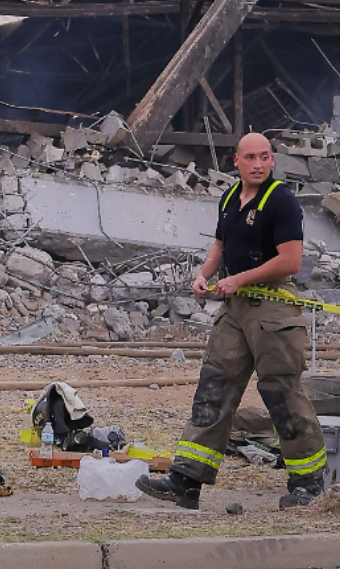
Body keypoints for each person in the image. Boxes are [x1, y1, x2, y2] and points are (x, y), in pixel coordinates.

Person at [136, 132, 328, 510]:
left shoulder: (282, 200)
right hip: (235, 308)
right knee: (215, 386)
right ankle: (186, 479)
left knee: (281, 392)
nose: (259, 164)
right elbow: (220, 246)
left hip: (273, 308)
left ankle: (309, 481)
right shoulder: (229, 199)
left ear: (272, 160)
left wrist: (239, 279)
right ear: (236, 161)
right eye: (251, 157)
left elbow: (291, 260)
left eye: (265, 157)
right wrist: (203, 274)